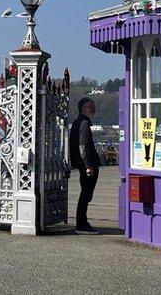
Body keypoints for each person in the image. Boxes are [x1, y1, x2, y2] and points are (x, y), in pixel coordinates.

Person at [69, 97, 100, 234]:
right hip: (87, 164)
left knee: (85, 194)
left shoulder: (77, 122)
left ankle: (82, 222)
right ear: (83, 108)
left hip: (81, 163)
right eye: (91, 107)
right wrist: (88, 165)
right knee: (86, 194)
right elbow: (83, 146)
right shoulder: (84, 123)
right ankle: (81, 224)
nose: (94, 109)